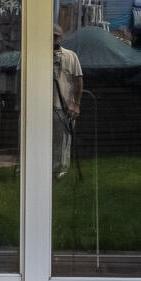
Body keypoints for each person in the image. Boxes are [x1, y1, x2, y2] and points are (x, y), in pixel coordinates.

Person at [51, 25, 84, 178]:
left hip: (63, 106)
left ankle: (59, 172)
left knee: (62, 141)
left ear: (60, 37)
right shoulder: (35, 55)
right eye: (50, 36)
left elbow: (78, 81)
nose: (53, 39)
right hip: (40, 107)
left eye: (55, 36)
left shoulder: (70, 56)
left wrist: (76, 104)